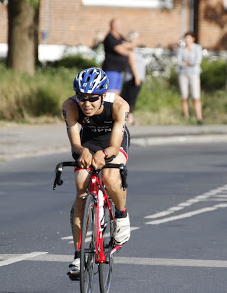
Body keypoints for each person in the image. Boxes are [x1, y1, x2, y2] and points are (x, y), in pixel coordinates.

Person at [62, 68, 131, 277]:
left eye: (92, 99)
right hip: (88, 141)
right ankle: (78, 255)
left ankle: (121, 214)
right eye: (82, 98)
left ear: (102, 95)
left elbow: (114, 145)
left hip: (113, 141)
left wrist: (104, 154)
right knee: (82, 188)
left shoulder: (119, 105)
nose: (87, 104)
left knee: (110, 177)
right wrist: (81, 150)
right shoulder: (70, 105)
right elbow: (75, 142)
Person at [176, 31, 204, 125]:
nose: (187, 40)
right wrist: (186, 63)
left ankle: (199, 118)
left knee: (196, 96)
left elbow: (197, 61)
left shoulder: (197, 48)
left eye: (189, 38)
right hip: (183, 74)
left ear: (193, 39)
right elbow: (179, 61)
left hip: (194, 74)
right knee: (184, 96)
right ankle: (186, 117)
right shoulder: (181, 49)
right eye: (186, 38)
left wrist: (187, 62)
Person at [102, 18, 133, 95]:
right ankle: (107, 107)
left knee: (116, 94)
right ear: (112, 25)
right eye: (117, 25)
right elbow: (119, 50)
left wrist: (124, 46)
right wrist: (125, 47)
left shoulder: (120, 37)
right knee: (109, 93)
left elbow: (131, 45)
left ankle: (113, 107)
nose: (119, 26)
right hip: (111, 70)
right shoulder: (109, 37)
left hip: (119, 71)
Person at [121, 31, 146, 126]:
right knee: (129, 100)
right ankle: (128, 119)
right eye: (137, 38)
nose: (139, 40)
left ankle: (130, 118)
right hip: (132, 78)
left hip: (136, 77)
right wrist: (137, 77)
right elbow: (132, 64)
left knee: (131, 99)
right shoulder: (131, 50)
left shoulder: (135, 50)